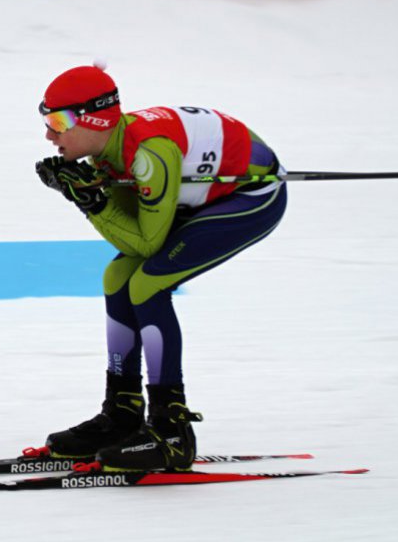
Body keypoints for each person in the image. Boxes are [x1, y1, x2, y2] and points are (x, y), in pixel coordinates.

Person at [35, 62, 287, 472]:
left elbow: (145, 241)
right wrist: (92, 196)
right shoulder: (108, 149)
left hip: (251, 196)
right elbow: (130, 230)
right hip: (205, 195)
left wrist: (89, 203)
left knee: (147, 286)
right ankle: (123, 412)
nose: (49, 134)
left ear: (96, 118)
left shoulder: (150, 154)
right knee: (117, 277)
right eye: (46, 120)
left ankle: (172, 431)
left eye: (59, 121)